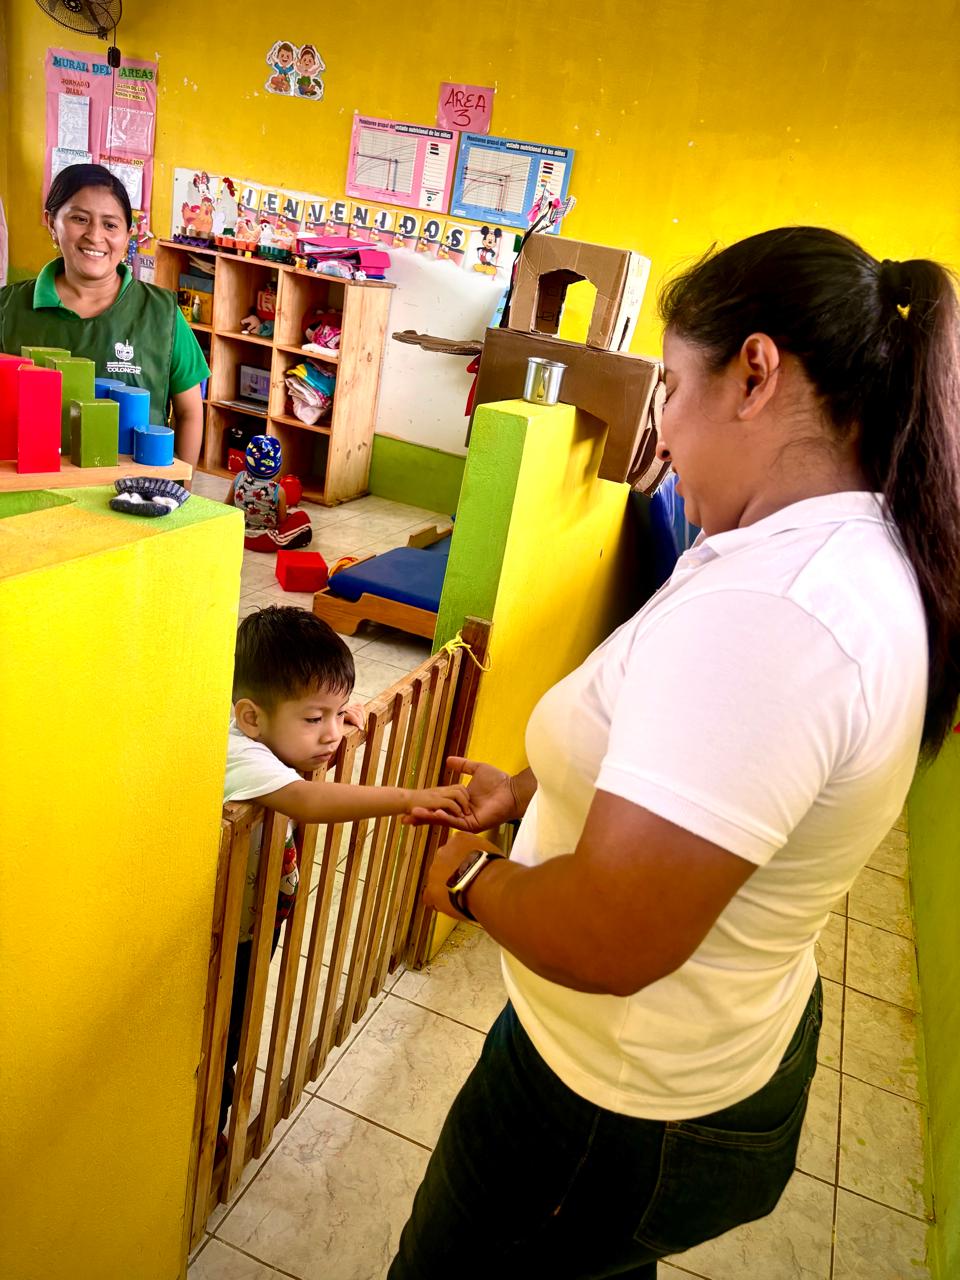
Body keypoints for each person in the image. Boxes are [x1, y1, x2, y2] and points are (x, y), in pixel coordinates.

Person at [389, 227, 960, 1278]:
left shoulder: (777, 614)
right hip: (690, 1062)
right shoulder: (821, 546)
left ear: (755, 374)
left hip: (612, 1107)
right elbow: (692, 756)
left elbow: (611, 935)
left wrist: (471, 882)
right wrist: (530, 791)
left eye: (671, 389)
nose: (660, 427)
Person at [219, 606, 469, 1138]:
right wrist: (410, 797)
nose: (332, 732)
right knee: (224, 1028)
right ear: (251, 717)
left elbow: (304, 745)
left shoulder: (267, 730)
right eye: (315, 719)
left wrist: (329, 716)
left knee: (239, 1016)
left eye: (336, 713)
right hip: (227, 931)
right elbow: (308, 801)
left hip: (260, 912)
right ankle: (210, 1122)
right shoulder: (237, 754)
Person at [0, 162, 209, 474]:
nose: (95, 236)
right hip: (27, 490)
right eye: (79, 219)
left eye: (110, 225)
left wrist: (180, 486)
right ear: (51, 222)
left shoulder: (162, 313)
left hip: (134, 494)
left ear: (128, 235)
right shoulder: (8, 308)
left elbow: (190, 411)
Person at [226, 434, 313, 551]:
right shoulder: (278, 490)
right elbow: (281, 522)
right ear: (277, 465)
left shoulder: (239, 477)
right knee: (302, 518)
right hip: (265, 539)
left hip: (237, 533)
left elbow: (226, 505)